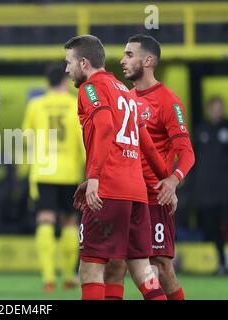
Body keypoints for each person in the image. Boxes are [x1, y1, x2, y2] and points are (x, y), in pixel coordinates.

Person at [64, 35, 169, 300]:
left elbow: (106, 126)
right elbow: (146, 144)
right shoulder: (125, 91)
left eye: (69, 62)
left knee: (90, 268)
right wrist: (166, 180)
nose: (66, 69)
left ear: (84, 63)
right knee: (142, 269)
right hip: (136, 194)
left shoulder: (90, 88)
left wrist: (95, 177)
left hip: (109, 191)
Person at [101, 35, 195, 300]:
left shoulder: (168, 101)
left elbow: (187, 153)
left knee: (161, 266)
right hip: (126, 194)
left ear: (149, 60)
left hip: (154, 197)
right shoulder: (126, 98)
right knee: (116, 264)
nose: (122, 60)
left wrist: (173, 181)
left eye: (130, 55)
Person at [21, 63, 85, 292]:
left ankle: (48, 278)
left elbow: (26, 139)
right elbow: (83, 142)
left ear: (47, 82)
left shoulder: (35, 105)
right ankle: (69, 276)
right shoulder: (75, 104)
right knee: (69, 222)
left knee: (45, 220)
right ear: (66, 81)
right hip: (69, 173)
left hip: (43, 171)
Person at [195, 96, 228, 276]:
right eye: (214, 108)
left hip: (225, 189)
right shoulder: (202, 130)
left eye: (219, 108)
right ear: (209, 109)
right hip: (207, 190)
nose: (217, 111)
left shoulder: (226, 127)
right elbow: (194, 159)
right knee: (213, 228)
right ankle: (222, 264)